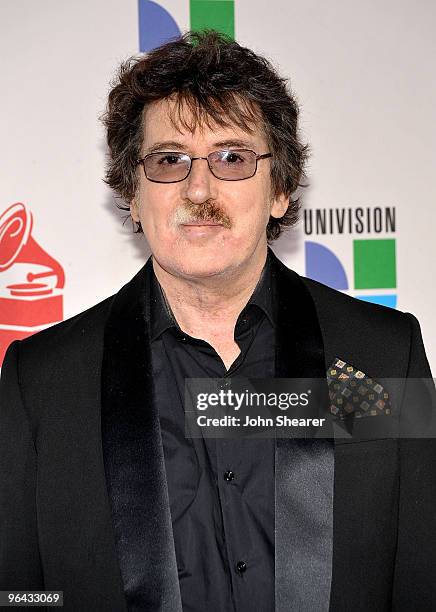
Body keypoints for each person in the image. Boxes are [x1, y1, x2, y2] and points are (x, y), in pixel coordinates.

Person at [0, 30, 435, 612]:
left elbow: (421, 578)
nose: (198, 187)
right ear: (132, 193)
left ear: (280, 189)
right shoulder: (44, 381)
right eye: (169, 160)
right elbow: (20, 595)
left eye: (232, 157)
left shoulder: (381, 355)